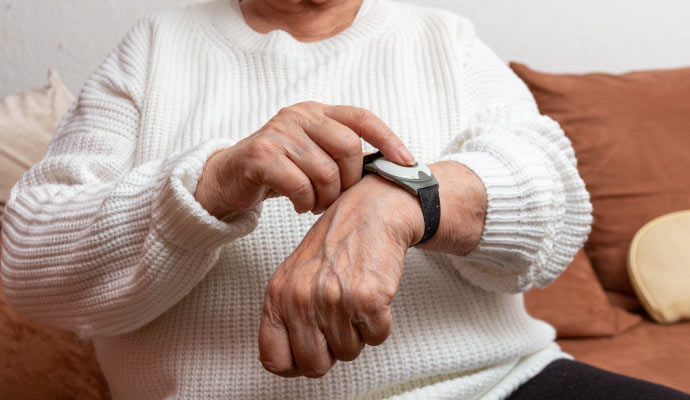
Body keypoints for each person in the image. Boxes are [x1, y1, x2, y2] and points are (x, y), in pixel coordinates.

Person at [1, 0, 688, 399]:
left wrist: (398, 201)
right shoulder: (153, 49)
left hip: (500, 388)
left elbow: (557, 203)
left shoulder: (439, 36)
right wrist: (209, 183)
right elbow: (29, 264)